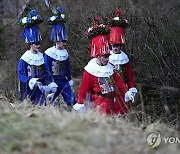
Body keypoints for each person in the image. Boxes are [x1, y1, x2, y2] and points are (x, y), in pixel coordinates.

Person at [73, 16, 134, 115]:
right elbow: (83, 88)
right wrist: (80, 102)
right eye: (105, 57)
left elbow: (119, 83)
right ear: (98, 56)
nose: (107, 59)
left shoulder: (110, 68)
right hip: (98, 104)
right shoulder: (90, 71)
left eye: (108, 56)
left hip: (111, 103)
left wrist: (127, 92)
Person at [44, 7, 76, 107]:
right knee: (53, 102)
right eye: (63, 41)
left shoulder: (65, 53)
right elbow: (47, 69)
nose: (65, 44)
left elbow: (67, 68)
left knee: (72, 100)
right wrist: (50, 82)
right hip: (54, 81)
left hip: (64, 80)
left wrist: (69, 79)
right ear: (58, 41)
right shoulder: (49, 53)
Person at [108, 9, 138, 114]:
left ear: (121, 46)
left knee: (123, 111)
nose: (115, 48)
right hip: (110, 88)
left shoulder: (125, 58)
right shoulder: (107, 58)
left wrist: (131, 88)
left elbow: (129, 76)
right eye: (113, 46)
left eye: (117, 46)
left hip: (123, 89)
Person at [18, 9, 46, 105]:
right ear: (30, 44)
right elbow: (21, 75)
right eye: (36, 44)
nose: (38, 46)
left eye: (39, 43)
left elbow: (46, 72)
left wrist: (48, 83)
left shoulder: (42, 57)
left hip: (40, 89)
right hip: (28, 89)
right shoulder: (24, 58)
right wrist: (30, 80)